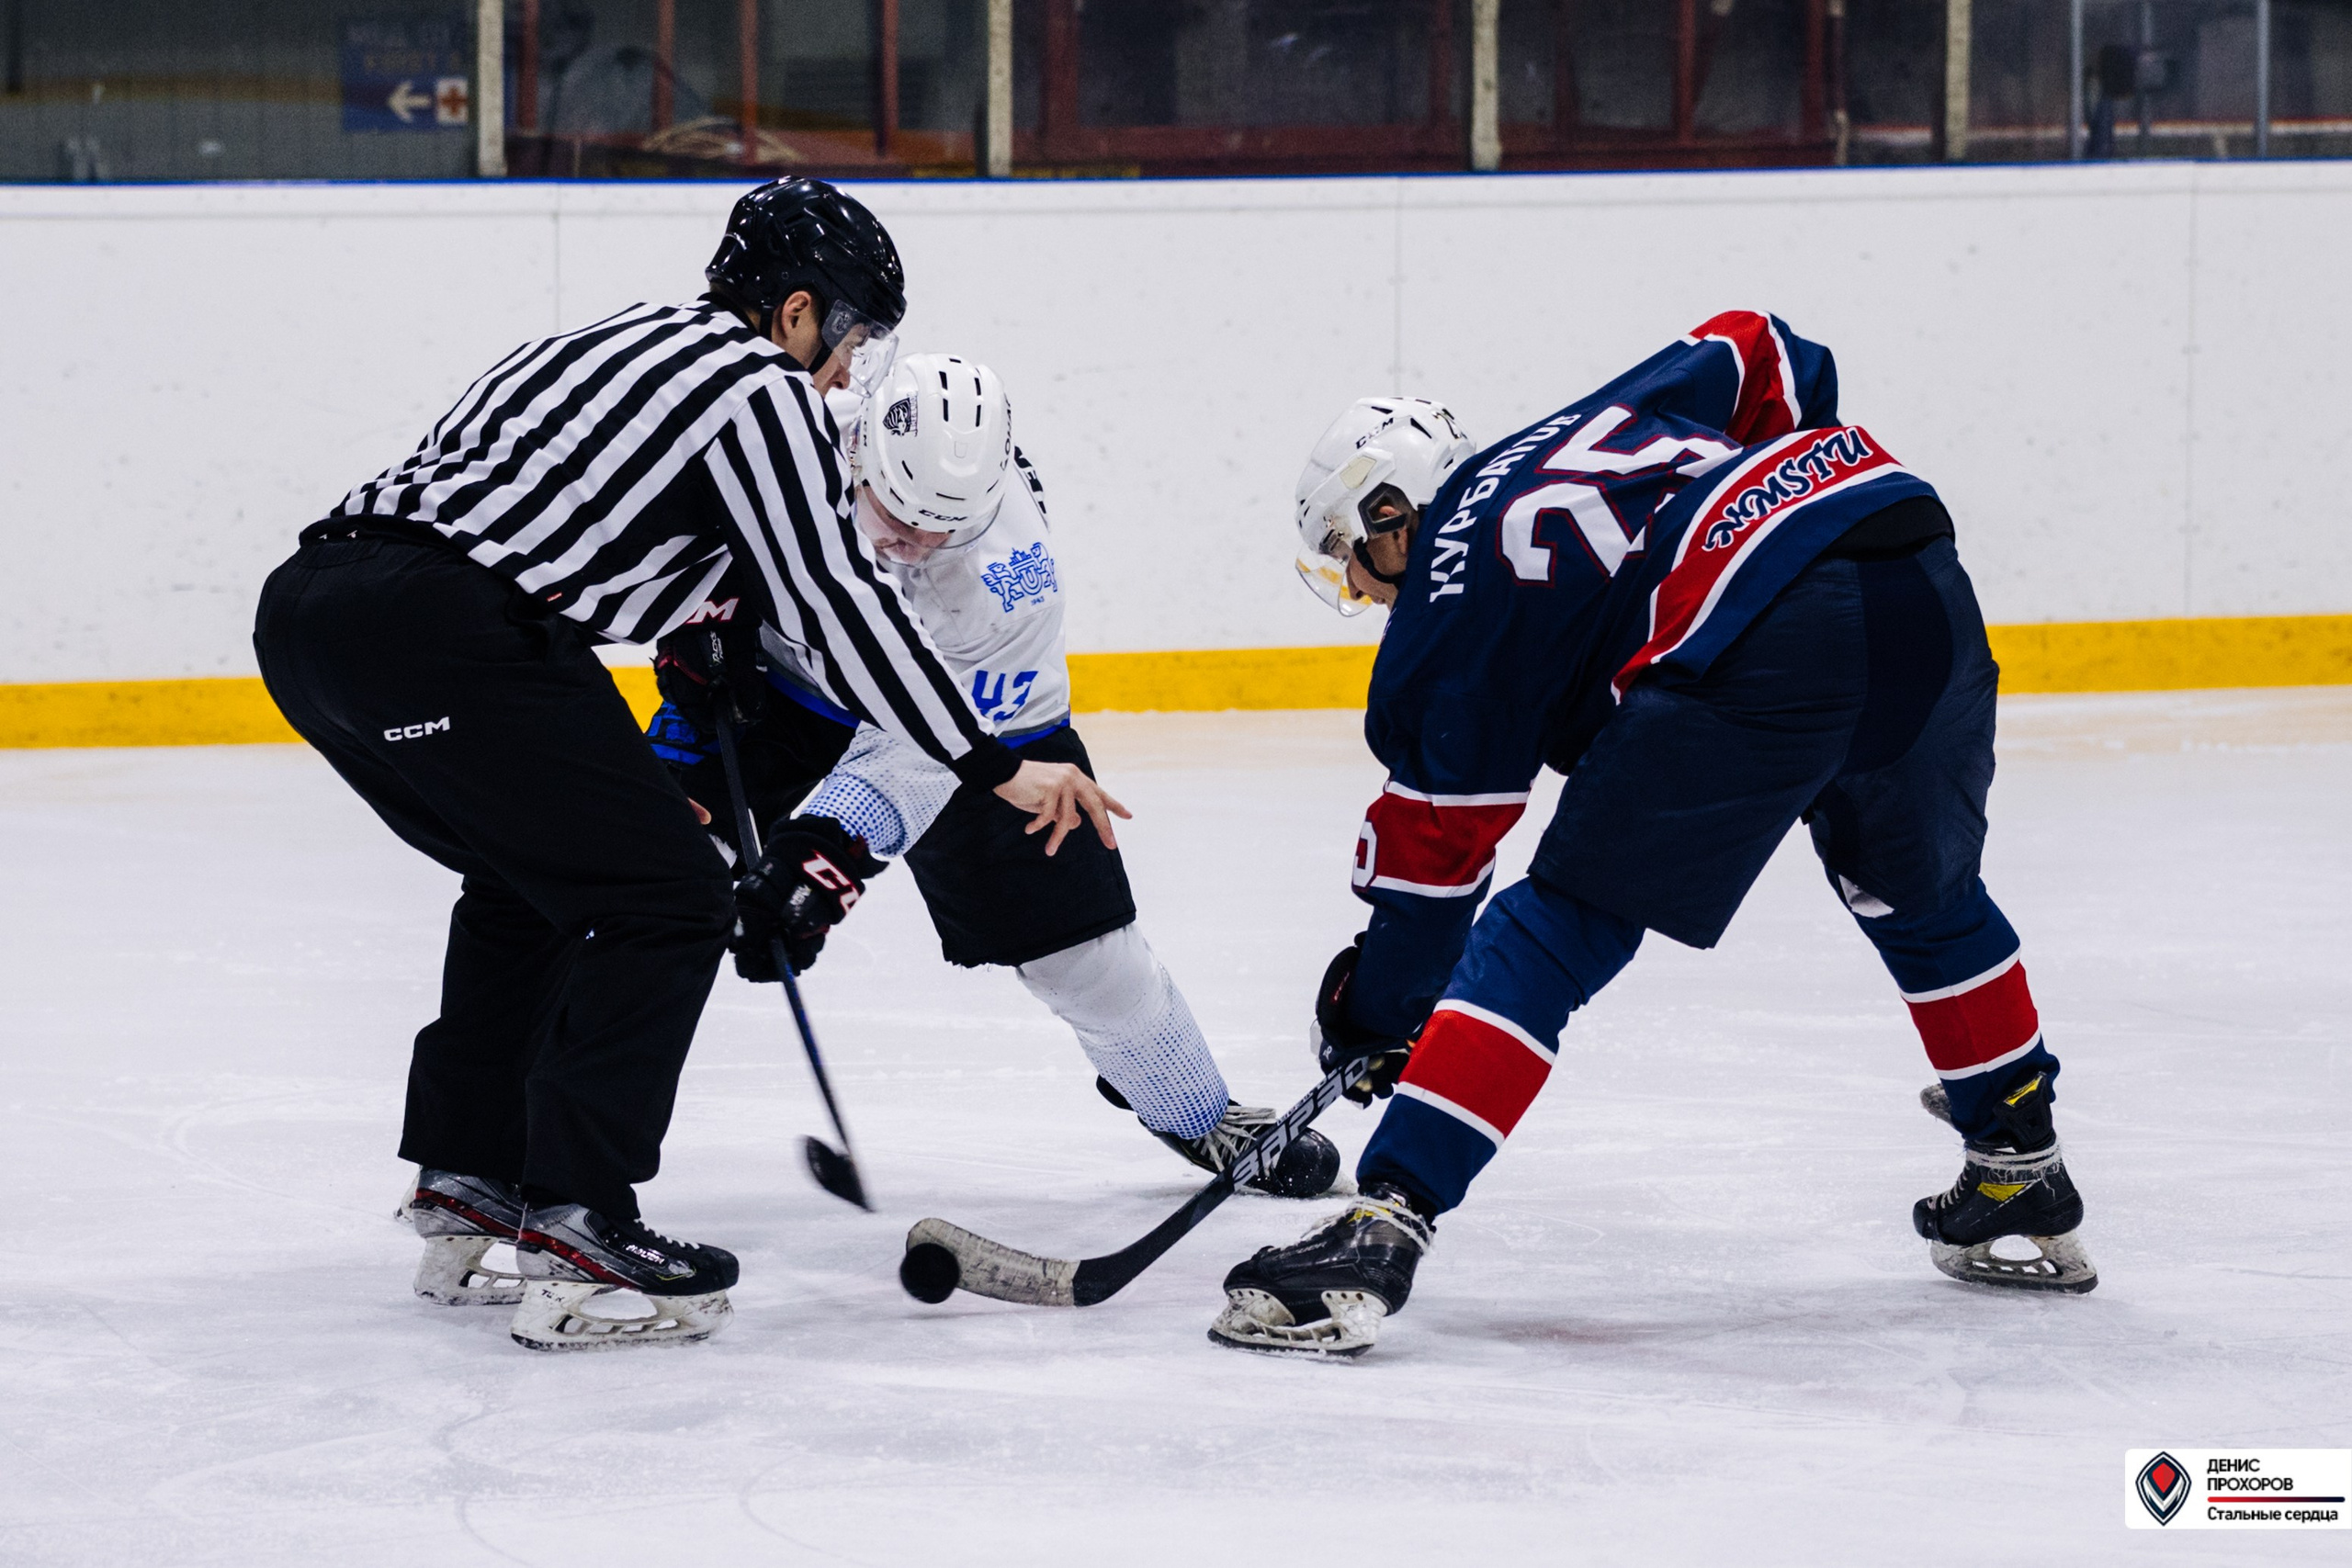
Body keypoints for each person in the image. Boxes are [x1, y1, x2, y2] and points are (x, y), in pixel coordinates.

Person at [253, 176, 1118, 1353]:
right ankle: (582, 1219)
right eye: (853, 341)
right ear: (800, 311)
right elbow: (840, 600)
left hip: (315, 623)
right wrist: (985, 763)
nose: (847, 376)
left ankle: (470, 1176)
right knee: (668, 901)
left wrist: (703, 616)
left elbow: (571, 522)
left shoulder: (602, 339)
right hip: (459, 636)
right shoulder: (759, 389)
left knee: (528, 887)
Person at [1207, 311, 2096, 1359]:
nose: (1357, 589)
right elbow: (1762, 346)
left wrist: (1377, 1015)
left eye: (1349, 560)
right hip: (1904, 551)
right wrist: (1768, 506)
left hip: (1765, 627)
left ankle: (1381, 1223)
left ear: (1391, 513)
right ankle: (2016, 1169)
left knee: (1549, 928)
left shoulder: (1444, 610)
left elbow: (1433, 870)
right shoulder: (1581, 425)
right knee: (1920, 895)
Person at [646, 352, 1341, 1199]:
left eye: (942, 529)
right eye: (895, 516)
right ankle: (540, 1158)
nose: (913, 544)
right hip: (781, 691)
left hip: (975, 723)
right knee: (638, 885)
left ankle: (1197, 1111)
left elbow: (934, 750)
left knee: (1089, 957)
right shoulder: (797, 436)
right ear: (857, 453)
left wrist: (821, 861)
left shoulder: (1009, 584)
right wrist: (695, 613)